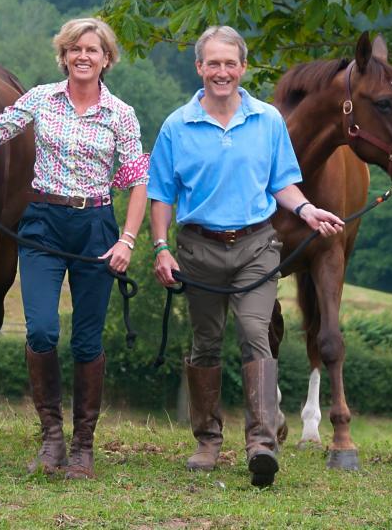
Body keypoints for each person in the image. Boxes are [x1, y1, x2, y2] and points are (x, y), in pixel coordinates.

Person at [0, 17, 149, 480]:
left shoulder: (121, 114)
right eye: (75, 49)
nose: (83, 56)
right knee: (40, 331)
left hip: (97, 229)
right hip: (42, 224)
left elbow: (138, 179)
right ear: (64, 56)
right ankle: (52, 439)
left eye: (93, 50)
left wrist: (127, 239)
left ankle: (83, 446)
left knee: (86, 341)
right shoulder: (41, 99)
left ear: (106, 59)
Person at [148, 25, 344, 487]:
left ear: (243, 67)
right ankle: (208, 439)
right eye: (212, 63)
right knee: (205, 343)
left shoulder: (268, 121)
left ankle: (261, 443)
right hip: (198, 248)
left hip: (257, 244)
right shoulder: (177, 125)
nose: (222, 72)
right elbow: (161, 194)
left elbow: (281, 182)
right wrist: (160, 247)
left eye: (229, 63)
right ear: (199, 67)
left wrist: (308, 209)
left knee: (256, 332)